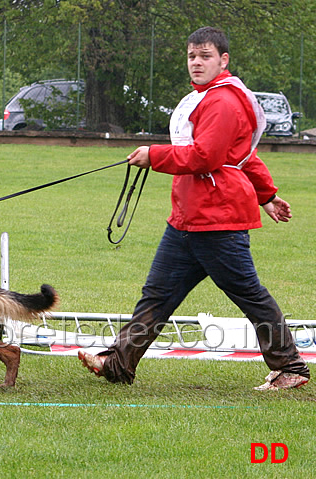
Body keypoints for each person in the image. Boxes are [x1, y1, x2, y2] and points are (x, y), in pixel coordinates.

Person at [78, 26, 310, 391]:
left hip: (217, 220)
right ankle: (117, 364)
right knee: (158, 294)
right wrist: (267, 196)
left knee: (249, 294)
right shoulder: (208, 97)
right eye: (192, 56)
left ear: (223, 59)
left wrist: (153, 155)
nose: (197, 63)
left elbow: (207, 157)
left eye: (205, 56)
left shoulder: (223, 101)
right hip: (187, 219)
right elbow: (244, 158)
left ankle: (291, 368)